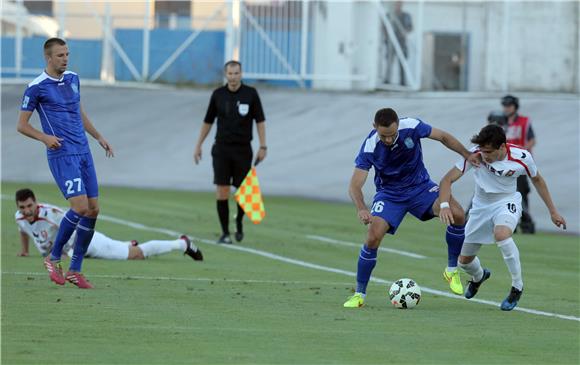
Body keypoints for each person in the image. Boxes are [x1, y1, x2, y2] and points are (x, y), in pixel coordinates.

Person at [343, 108, 479, 308]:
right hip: (390, 195)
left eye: (392, 135)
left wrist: (466, 154)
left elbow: (442, 136)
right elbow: (355, 185)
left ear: (398, 124)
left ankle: (451, 271)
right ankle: (359, 294)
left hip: (420, 188)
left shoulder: (412, 126)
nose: (388, 140)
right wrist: (361, 208)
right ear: (374, 128)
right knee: (372, 237)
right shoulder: (370, 146)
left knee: (458, 214)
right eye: (384, 136)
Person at [17, 38, 113, 289]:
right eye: (60, 55)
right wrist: (44, 138)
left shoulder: (72, 78)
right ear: (49, 58)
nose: (65, 58)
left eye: (67, 54)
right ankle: (53, 256)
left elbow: (77, 110)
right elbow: (22, 125)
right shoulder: (36, 87)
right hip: (62, 153)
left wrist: (98, 136)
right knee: (79, 206)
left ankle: (75, 270)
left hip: (83, 151)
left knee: (93, 209)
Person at [438, 124, 566, 311]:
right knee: (463, 261)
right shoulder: (475, 155)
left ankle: (517, 286)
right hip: (480, 208)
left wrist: (553, 211)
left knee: (502, 233)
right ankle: (479, 276)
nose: (484, 155)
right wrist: (444, 205)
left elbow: (537, 180)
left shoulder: (522, 157)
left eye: (488, 151)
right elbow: (446, 180)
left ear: (502, 147)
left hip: (507, 201)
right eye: (482, 150)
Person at [14, 188, 203, 263]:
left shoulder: (51, 214)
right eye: (22, 207)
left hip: (86, 243)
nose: (27, 210)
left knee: (136, 256)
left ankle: (181, 244)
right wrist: (24, 250)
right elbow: (24, 229)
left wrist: (66, 252)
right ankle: (128, 243)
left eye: (30, 205)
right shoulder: (20, 217)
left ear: (35, 202)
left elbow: (76, 224)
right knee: (124, 248)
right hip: (71, 251)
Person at [193, 60, 267, 244]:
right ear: (225, 75)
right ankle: (225, 233)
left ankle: (239, 222)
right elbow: (208, 121)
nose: (233, 77)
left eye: (236, 73)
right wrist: (198, 145)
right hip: (222, 149)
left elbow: (260, 121)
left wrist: (263, 146)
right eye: (230, 74)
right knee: (222, 190)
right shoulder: (218, 95)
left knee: (243, 191)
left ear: (241, 74)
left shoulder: (251, 94)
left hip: (243, 150)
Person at [501, 95, 537, 233]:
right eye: (504, 106)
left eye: (509, 106)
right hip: (503, 164)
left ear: (515, 107)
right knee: (505, 192)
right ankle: (510, 222)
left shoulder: (524, 121)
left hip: (519, 164)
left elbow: (532, 140)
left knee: (522, 193)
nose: (506, 108)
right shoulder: (500, 121)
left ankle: (526, 223)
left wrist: (521, 152)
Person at [384, 1, 412, 85]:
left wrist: (405, 32)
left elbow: (410, 27)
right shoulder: (389, 15)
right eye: (396, 4)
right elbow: (384, 27)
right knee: (389, 62)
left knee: (402, 63)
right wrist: (387, 36)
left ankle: (403, 82)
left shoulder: (406, 16)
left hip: (402, 43)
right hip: (391, 43)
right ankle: (387, 80)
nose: (398, 6)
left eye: (399, 4)